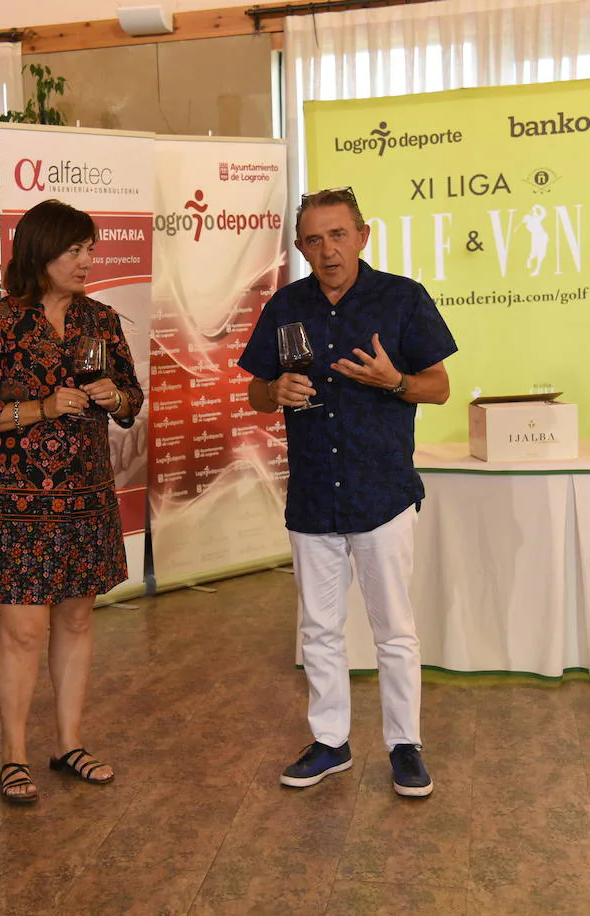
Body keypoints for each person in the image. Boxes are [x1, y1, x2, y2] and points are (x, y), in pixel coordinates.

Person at [237, 187, 457, 797]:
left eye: (339, 235)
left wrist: (395, 381)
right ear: (301, 246)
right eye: (314, 239)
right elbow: (256, 391)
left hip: (381, 491)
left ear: (364, 234)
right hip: (312, 495)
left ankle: (405, 745)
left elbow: (438, 387)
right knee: (318, 630)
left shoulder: (403, 298)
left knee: (394, 629)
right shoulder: (285, 306)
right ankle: (330, 742)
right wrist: (274, 392)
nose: (328, 250)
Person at [0, 199, 143, 805]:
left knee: (78, 618)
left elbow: (131, 401)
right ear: (41, 253)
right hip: (15, 503)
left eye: (90, 248)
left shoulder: (103, 321)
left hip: (86, 495)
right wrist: (42, 407)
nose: (87, 260)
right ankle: (12, 756)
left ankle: (68, 744)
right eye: (75, 250)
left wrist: (115, 397)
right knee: (22, 631)